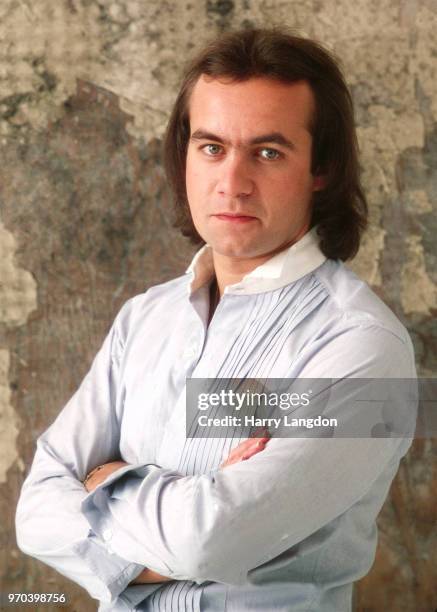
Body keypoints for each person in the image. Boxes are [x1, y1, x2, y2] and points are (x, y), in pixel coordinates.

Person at [16, 27, 416, 611]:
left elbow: (208, 536)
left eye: (267, 152)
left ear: (322, 168)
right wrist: (186, 506)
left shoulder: (365, 349)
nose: (232, 183)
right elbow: (34, 514)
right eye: (211, 147)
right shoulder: (144, 319)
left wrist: (109, 484)